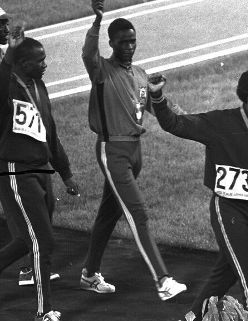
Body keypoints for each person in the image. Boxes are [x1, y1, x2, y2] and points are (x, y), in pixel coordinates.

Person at [148, 68, 248, 321]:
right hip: (227, 208)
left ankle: (192, 316)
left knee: (226, 271)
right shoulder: (220, 123)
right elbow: (174, 123)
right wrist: (158, 98)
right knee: (247, 268)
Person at [79, 0, 186, 301]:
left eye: (132, 41)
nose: (129, 46)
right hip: (112, 150)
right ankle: (163, 280)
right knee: (137, 213)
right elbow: (88, 53)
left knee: (107, 215)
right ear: (111, 43)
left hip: (134, 152)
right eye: (123, 42)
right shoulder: (102, 70)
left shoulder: (140, 74)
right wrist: (97, 22)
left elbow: (158, 107)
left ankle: (89, 274)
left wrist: (189, 120)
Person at [0, 28, 80, 321]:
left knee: (25, 240)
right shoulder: (6, 88)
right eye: (39, 61)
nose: (45, 64)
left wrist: (66, 174)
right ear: (21, 63)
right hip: (16, 172)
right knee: (42, 242)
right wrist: (8, 52)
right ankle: (44, 312)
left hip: (41, 171)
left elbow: (50, 133)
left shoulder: (39, 86)